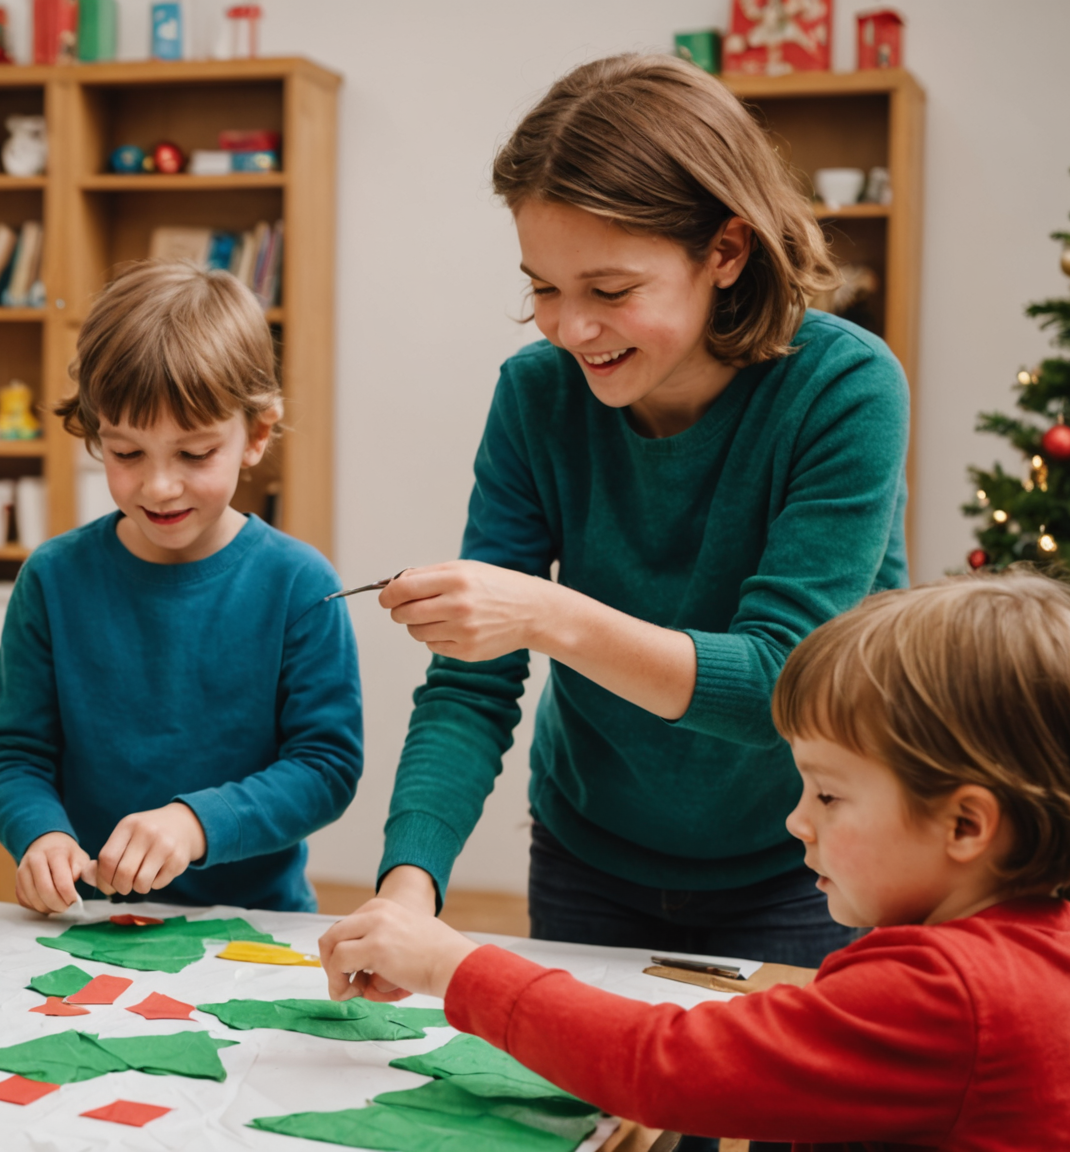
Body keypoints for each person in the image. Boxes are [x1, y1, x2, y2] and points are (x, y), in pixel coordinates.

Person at [369, 54, 907, 974]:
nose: (569, 328)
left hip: (812, 863)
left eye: (610, 291)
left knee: (796, 1122)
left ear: (726, 252)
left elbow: (781, 684)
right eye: (542, 287)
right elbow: (471, 683)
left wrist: (542, 612)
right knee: (597, 1122)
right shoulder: (535, 398)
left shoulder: (846, 389)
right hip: (592, 854)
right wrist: (406, 885)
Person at [320, 571, 1070, 1149]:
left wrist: (454, 968)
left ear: (966, 826)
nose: (795, 820)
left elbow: (663, 1068)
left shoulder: (946, 994)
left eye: (830, 797)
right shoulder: (1056, 939)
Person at [0, 260, 363, 914]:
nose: (158, 486)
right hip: (94, 922)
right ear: (97, 436)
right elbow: (14, 755)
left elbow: (324, 768)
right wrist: (39, 832)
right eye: (127, 454)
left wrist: (194, 823)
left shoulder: (299, 584)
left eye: (193, 453)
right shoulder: (53, 578)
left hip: (255, 927)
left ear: (256, 435)